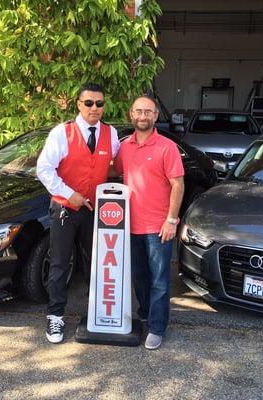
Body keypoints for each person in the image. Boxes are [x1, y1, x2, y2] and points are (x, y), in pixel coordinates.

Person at [37, 83, 120, 343]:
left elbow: (116, 168)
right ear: (78, 104)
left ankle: (97, 315)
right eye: (89, 103)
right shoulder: (62, 133)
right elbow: (44, 169)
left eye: (99, 103)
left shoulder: (111, 133)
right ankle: (55, 318)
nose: (94, 108)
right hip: (65, 208)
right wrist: (69, 193)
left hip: (96, 210)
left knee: (96, 263)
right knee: (60, 263)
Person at [114, 96, 184, 350]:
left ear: (155, 116)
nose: (142, 116)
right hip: (130, 226)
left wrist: (171, 220)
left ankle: (157, 327)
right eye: (138, 111)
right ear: (131, 114)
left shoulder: (167, 147)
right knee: (139, 278)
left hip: (158, 227)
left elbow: (178, 184)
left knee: (159, 281)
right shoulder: (124, 147)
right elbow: (115, 173)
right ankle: (145, 314)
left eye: (148, 112)